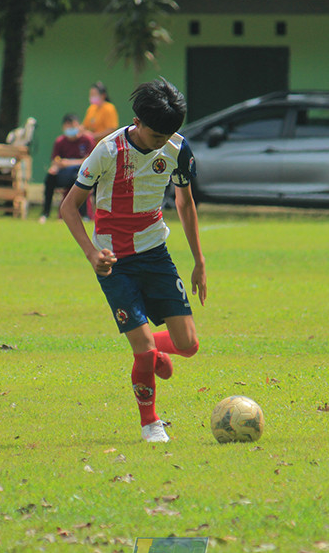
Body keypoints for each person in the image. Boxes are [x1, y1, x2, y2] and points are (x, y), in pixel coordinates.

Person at [59, 78, 206, 443]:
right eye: (156, 135)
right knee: (142, 351)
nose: (162, 142)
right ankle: (151, 423)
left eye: (169, 135)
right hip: (115, 261)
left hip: (156, 253)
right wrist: (93, 253)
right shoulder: (107, 151)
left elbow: (186, 204)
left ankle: (151, 350)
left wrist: (199, 261)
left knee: (188, 344)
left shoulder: (177, 148)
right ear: (137, 122)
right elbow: (68, 207)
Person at [39, 113, 95, 223]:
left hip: (81, 173)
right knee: (50, 178)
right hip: (64, 174)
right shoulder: (60, 141)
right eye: (67, 127)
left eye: (73, 126)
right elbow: (56, 160)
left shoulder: (87, 140)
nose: (70, 129)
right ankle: (45, 213)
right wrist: (55, 167)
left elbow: (89, 160)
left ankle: (85, 216)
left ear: (79, 126)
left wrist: (68, 162)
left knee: (81, 179)